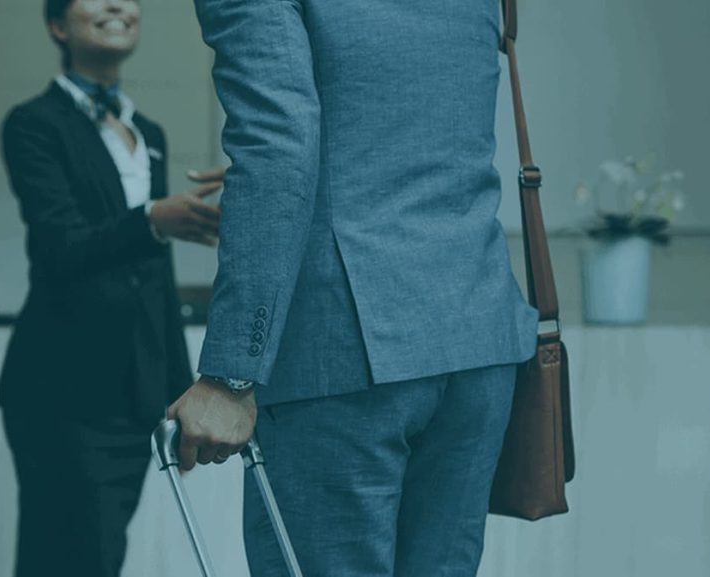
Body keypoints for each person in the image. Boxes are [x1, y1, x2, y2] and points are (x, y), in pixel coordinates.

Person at [169, 0, 540, 575]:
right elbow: (411, 118)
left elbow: (277, 144)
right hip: (476, 335)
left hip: (343, 351)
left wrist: (230, 373)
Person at [0, 0, 223, 575]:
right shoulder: (32, 124)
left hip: (133, 391)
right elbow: (62, 246)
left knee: (102, 555)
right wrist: (151, 218)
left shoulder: (148, 133)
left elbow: (152, 275)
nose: (120, 5)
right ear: (56, 25)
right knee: (68, 557)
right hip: (61, 386)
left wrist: (179, 389)